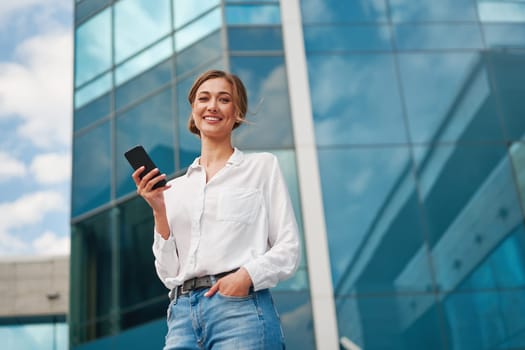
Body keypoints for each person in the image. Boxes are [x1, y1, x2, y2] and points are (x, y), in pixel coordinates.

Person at [132, 69, 300, 349]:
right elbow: (168, 274)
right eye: (204, 98)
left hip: (240, 310)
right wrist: (159, 211)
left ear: (237, 113)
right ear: (194, 111)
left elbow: (288, 249)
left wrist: (245, 277)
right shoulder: (174, 190)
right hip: (181, 317)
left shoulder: (261, 167)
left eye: (224, 99)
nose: (212, 106)